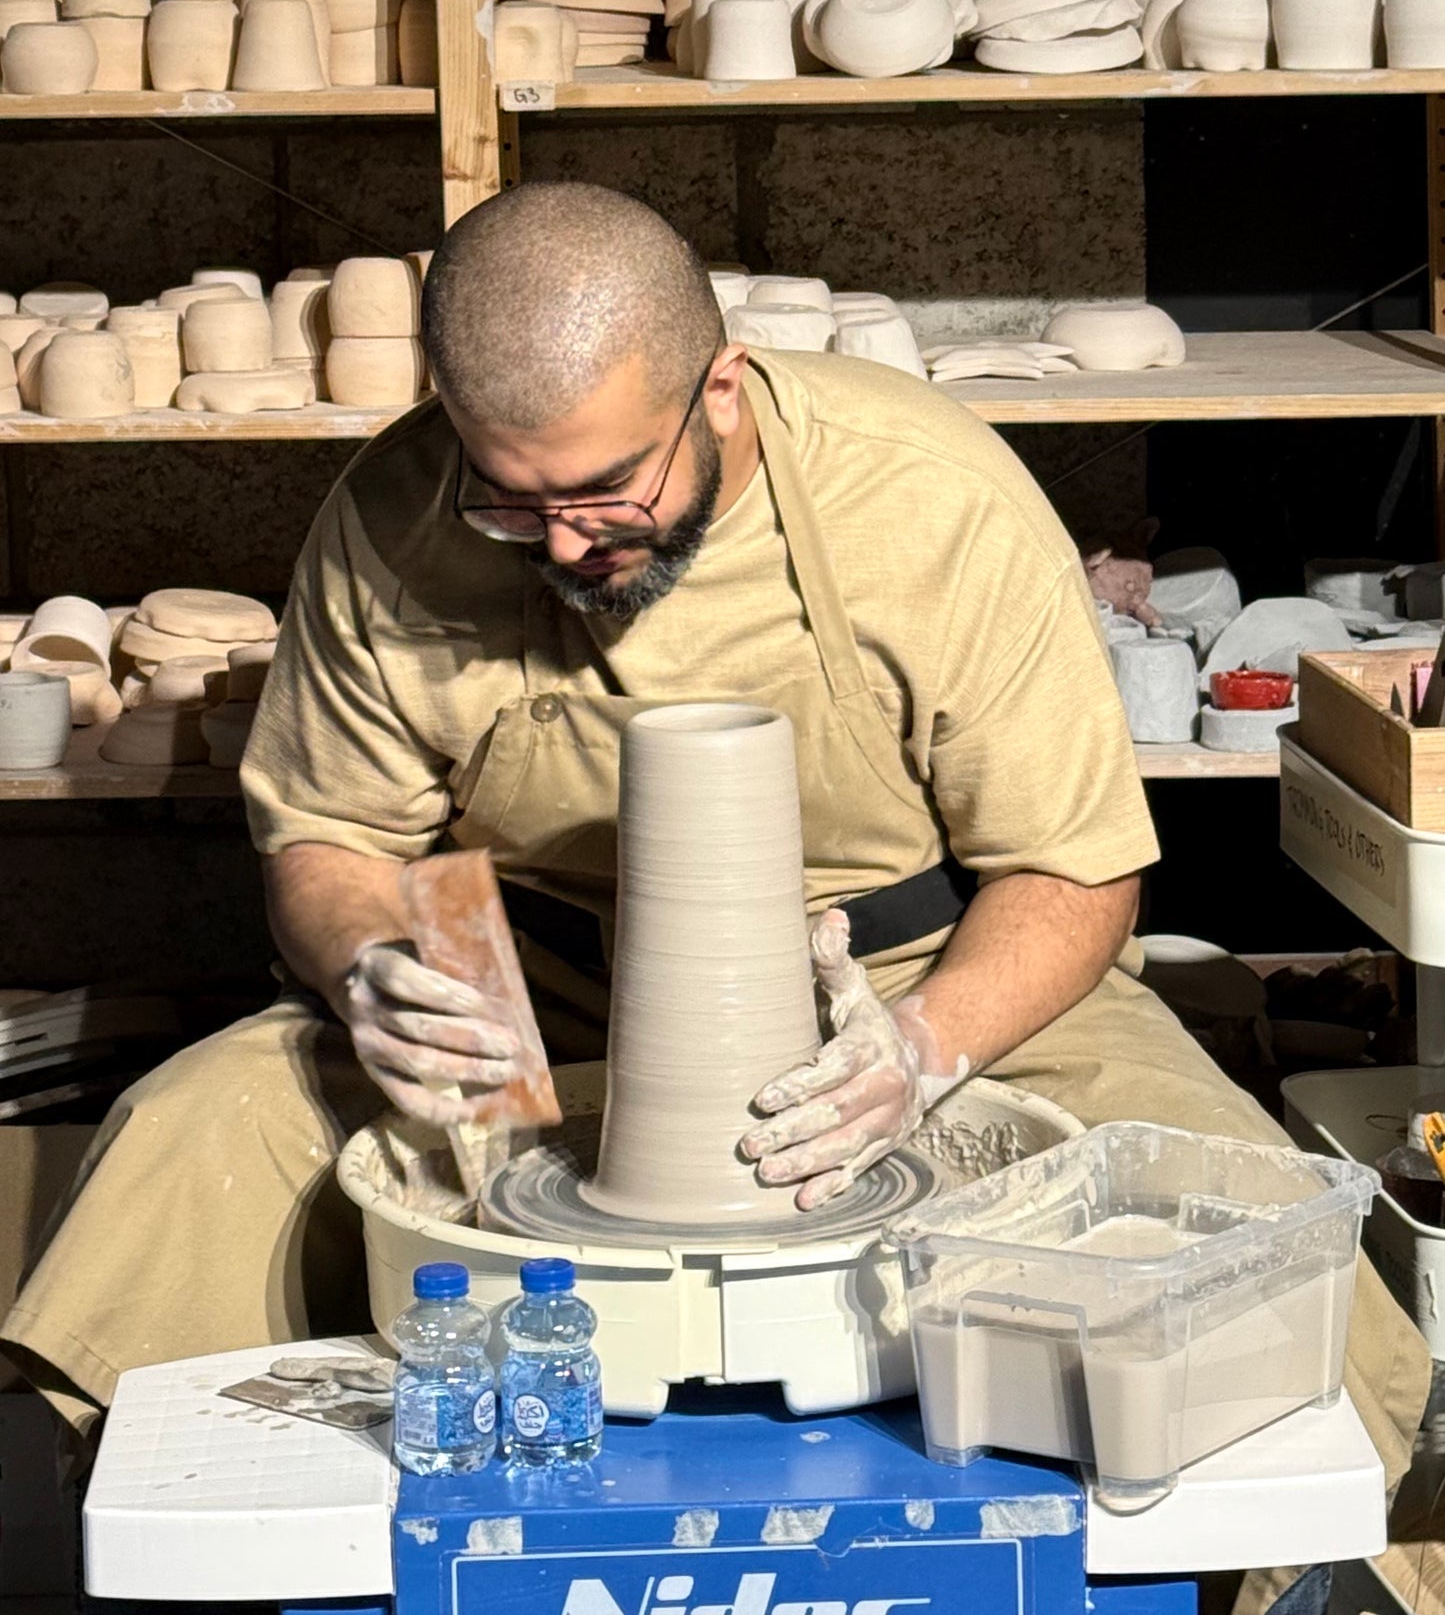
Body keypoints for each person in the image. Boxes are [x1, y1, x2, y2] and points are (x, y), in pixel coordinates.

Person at [4, 186, 1428, 1595]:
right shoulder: (391, 513)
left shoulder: (928, 496)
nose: (566, 543)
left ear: (723, 389)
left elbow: (1071, 867)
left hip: (921, 978)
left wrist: (925, 1046)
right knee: (188, 1148)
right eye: (512, 501)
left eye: (607, 490)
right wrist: (374, 963)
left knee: (1246, 1244)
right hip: (525, 990)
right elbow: (327, 838)